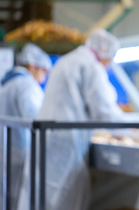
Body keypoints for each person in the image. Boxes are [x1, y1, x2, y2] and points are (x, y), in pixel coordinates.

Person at [36, 29, 126, 210]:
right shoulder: (91, 66)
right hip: (67, 140)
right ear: (106, 52)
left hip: (50, 136)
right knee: (65, 195)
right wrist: (125, 131)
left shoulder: (69, 60)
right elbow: (104, 109)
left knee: (45, 193)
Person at [0, 43, 51, 210]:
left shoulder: (8, 82)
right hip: (18, 148)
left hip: (6, 146)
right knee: (16, 196)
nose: (44, 76)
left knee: (6, 195)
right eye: (43, 70)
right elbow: (35, 117)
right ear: (32, 66)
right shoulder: (26, 84)